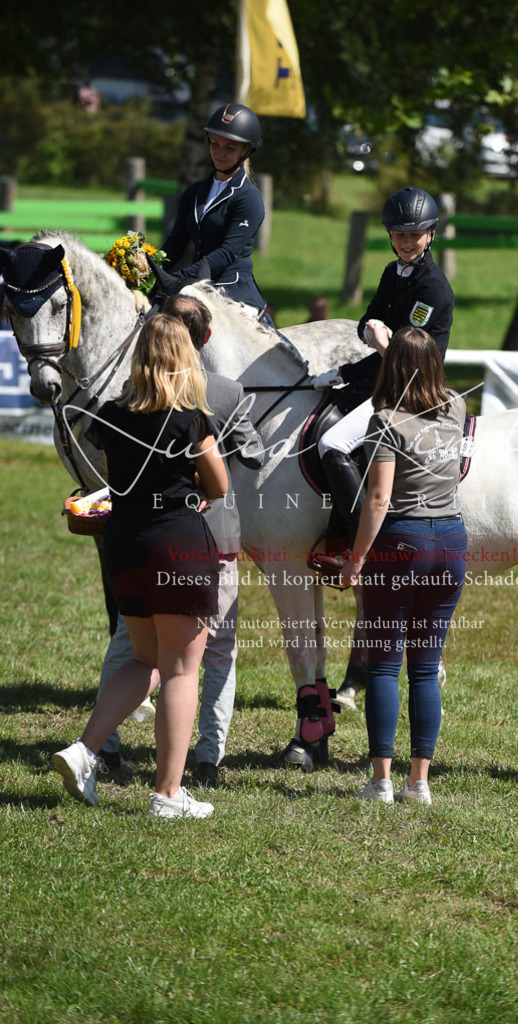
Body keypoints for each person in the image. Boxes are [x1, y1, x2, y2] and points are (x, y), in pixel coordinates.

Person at [52, 313, 228, 818]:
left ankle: (84, 750)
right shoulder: (191, 417)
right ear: (184, 358)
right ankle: (169, 794)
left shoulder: (111, 414)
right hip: (178, 542)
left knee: (143, 659)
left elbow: (117, 475)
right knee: (180, 670)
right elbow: (218, 486)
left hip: (125, 542)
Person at [95, 295, 265, 787]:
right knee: (211, 655)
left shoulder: (119, 404)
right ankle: (206, 759)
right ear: (202, 341)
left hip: (132, 539)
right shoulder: (224, 395)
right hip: (201, 540)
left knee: (131, 650)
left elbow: (118, 476)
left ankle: (101, 747)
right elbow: (243, 466)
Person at [339, 326, 468, 806]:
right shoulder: (456, 406)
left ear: (391, 368)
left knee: (383, 665)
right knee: (425, 664)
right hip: (451, 538)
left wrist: (355, 559)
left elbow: (378, 498)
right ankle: (420, 783)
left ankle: (381, 781)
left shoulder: (385, 420)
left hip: (402, 541)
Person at [311, 188, 454, 552]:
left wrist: (379, 338)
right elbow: (366, 320)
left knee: (333, 443)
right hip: (382, 377)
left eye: (415, 234)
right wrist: (370, 334)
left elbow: (406, 361)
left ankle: (365, 546)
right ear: (390, 235)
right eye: (399, 234)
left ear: (431, 234)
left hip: (412, 389)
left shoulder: (432, 288)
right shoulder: (393, 272)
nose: (407, 242)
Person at [159, 102, 266, 311]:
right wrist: (149, 270)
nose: (219, 153)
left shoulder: (249, 199)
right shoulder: (195, 192)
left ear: (246, 151)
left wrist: (179, 278)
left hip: (234, 293)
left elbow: (226, 253)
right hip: (198, 285)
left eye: (230, 148)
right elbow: (176, 242)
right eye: (215, 144)